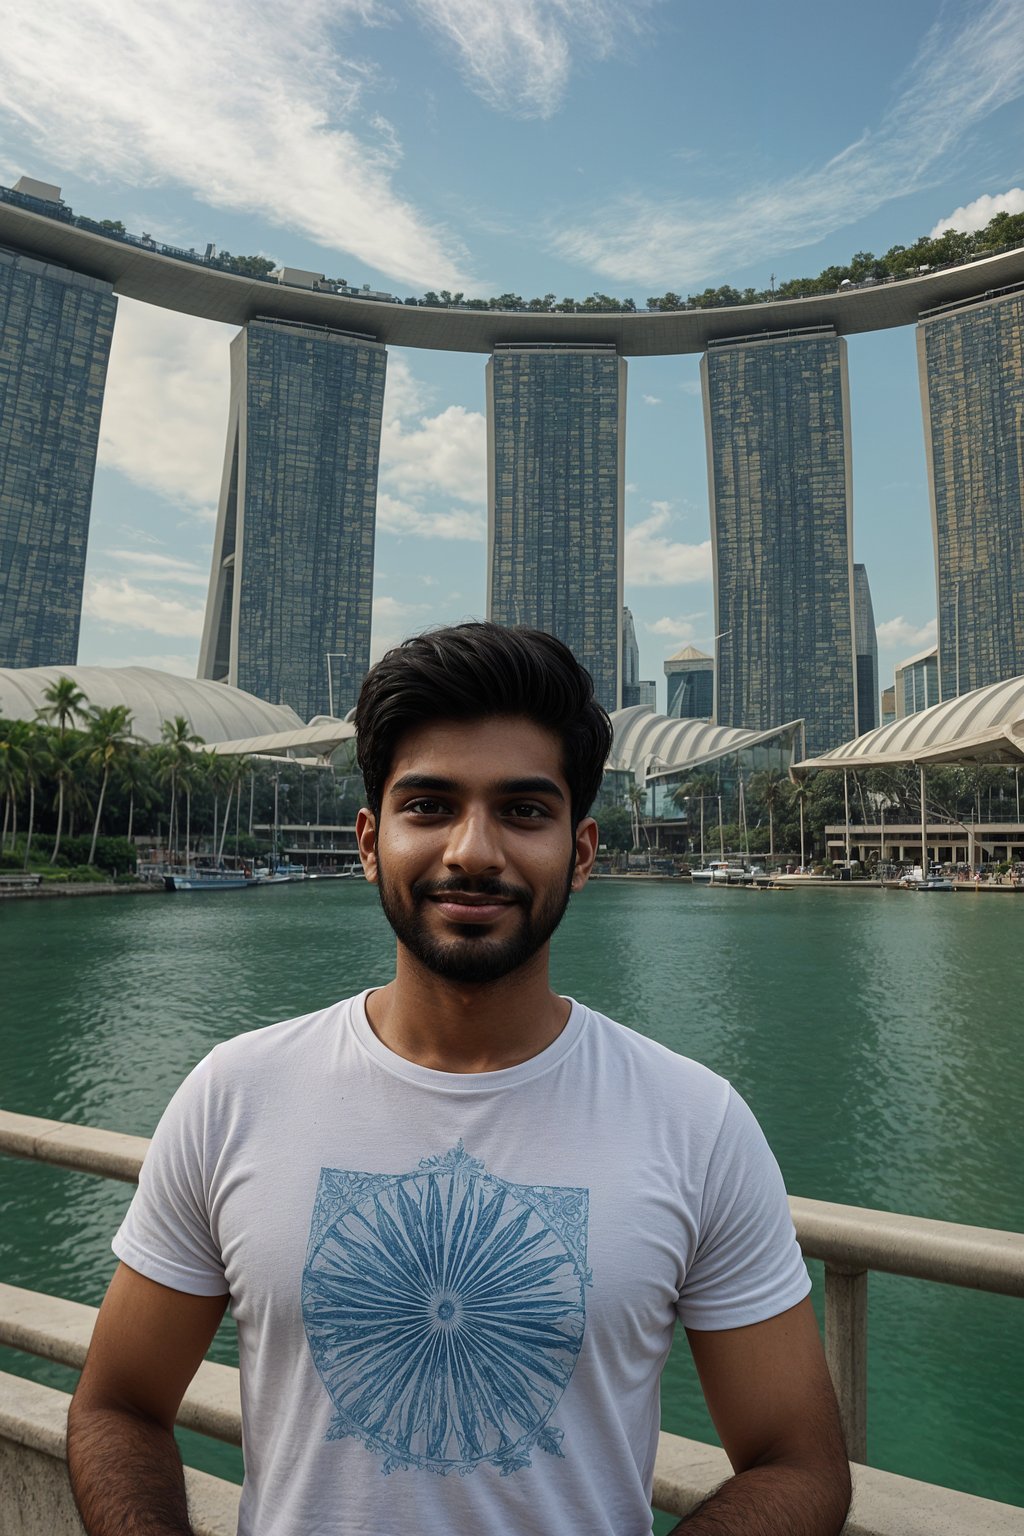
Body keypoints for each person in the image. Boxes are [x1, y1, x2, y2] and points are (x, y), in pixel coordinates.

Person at [68, 623, 851, 1536]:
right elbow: (118, 1404)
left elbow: (798, 1462)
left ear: (583, 851)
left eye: (523, 811)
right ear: (370, 841)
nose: (474, 851)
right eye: (430, 805)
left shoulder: (695, 1121)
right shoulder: (234, 1093)